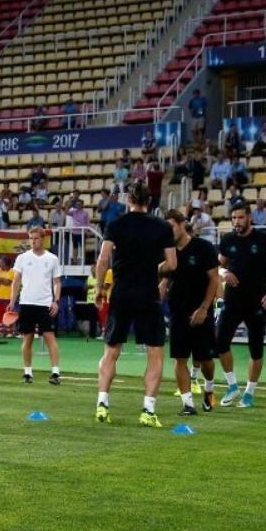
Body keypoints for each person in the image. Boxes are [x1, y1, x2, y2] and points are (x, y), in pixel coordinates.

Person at [93, 182, 177, 427]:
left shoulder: (116, 224)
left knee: (111, 351)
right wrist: (153, 268)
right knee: (155, 354)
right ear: (149, 201)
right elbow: (172, 264)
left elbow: (102, 260)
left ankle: (102, 404)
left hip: (121, 293)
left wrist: (99, 289)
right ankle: (148, 410)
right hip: (148, 294)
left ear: (128, 199)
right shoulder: (161, 226)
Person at [215, 202, 266, 408]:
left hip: (257, 301)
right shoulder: (227, 239)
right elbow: (217, 267)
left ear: (249, 218)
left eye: (240, 217)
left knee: (256, 349)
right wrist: (224, 273)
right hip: (232, 300)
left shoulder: (264, 240)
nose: (236, 222)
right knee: (220, 343)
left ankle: (249, 393)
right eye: (234, 218)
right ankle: (232, 386)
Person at [162, 211, 220, 415]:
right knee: (179, 358)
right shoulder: (168, 252)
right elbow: (169, 275)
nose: (169, 232)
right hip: (177, 312)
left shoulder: (203, 247)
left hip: (200, 312)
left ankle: (210, 388)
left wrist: (204, 308)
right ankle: (188, 404)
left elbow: (214, 279)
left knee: (205, 360)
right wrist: (163, 281)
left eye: (171, 227)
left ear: (182, 225)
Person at [7, 227, 63, 385]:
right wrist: (12, 301)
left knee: (50, 337)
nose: (33, 241)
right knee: (27, 338)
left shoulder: (52, 258)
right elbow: (16, 281)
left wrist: (56, 301)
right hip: (26, 303)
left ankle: (55, 373)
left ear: (43, 239)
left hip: (45, 304)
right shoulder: (22, 258)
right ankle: (27, 373)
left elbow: (57, 282)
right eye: (30, 238)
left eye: (36, 238)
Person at [0, 256, 15, 336]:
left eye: (0, 262)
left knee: (8, 315)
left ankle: (9, 332)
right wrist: (1, 279)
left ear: (5, 263)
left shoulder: (12, 271)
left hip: (8, 297)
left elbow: (8, 282)